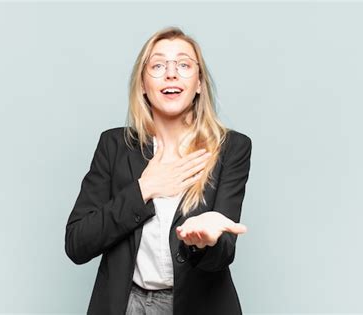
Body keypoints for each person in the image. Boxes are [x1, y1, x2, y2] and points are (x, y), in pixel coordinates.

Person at [65, 26, 252, 315]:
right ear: (142, 84)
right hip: (126, 304)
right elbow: (77, 243)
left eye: (184, 65)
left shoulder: (231, 148)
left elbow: (222, 254)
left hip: (198, 306)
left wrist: (203, 242)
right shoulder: (113, 146)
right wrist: (144, 189)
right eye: (158, 65)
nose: (171, 73)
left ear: (199, 82)